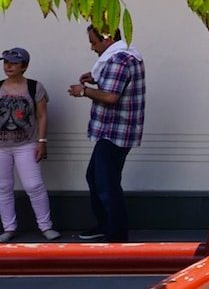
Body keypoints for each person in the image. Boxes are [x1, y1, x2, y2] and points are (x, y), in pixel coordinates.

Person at [68, 26, 145, 242]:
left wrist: (82, 91)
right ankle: (107, 225)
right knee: (97, 177)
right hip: (118, 130)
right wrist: (96, 79)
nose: (92, 48)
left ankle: (116, 232)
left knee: (105, 181)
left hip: (115, 131)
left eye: (94, 42)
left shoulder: (118, 60)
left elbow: (111, 97)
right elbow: (117, 86)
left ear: (108, 38)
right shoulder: (127, 55)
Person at [0, 47, 58, 241]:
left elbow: (42, 116)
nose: (8, 66)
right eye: (6, 62)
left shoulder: (34, 87)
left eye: (14, 63)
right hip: (1, 147)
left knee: (34, 185)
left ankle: (45, 226)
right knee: (3, 187)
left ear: (24, 66)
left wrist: (42, 141)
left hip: (26, 144)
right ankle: (9, 227)